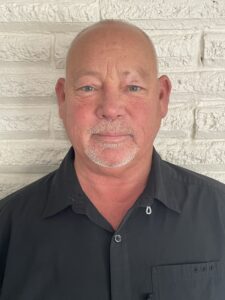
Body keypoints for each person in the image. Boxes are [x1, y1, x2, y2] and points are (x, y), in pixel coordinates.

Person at [0, 20, 225, 300]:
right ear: (62, 98)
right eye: (88, 88)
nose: (110, 109)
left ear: (162, 97)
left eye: (132, 87)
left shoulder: (219, 213)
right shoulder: (8, 229)